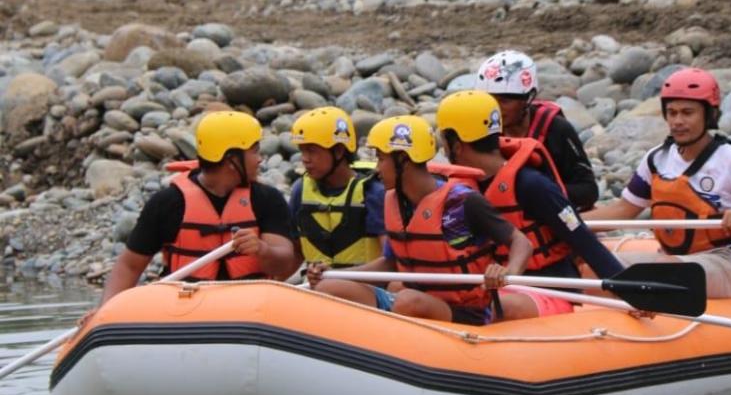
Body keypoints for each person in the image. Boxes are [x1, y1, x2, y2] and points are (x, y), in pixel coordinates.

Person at [307, 115, 533, 326]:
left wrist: (507, 272)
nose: (377, 169)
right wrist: (334, 273)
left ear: (403, 159)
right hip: (414, 301)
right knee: (330, 287)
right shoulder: (395, 202)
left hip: (466, 312)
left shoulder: (463, 202)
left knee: (407, 301)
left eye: (381, 159)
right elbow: (391, 263)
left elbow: (520, 242)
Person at [583, 68, 731, 299]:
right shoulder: (657, 159)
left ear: (708, 115)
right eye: (672, 112)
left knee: (663, 271)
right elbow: (623, 210)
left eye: (688, 113)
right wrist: (565, 224)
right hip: (668, 256)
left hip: (722, 263)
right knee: (591, 269)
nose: (678, 121)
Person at [436, 90, 625, 320]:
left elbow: (585, 242)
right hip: (502, 287)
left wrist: (626, 290)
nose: (443, 149)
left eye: (444, 139)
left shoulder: (532, 185)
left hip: (551, 289)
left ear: (456, 144)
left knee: (493, 306)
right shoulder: (462, 188)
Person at [100, 111, 298, 304]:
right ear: (231, 160)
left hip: (248, 305)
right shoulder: (168, 202)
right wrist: (105, 312)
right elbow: (129, 266)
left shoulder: (266, 199)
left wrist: (262, 250)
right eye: (254, 151)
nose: (260, 159)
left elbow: (285, 263)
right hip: (186, 306)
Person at [476, 50, 598, 211]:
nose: (495, 110)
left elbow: (588, 191)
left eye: (504, 101)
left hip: (551, 212)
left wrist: (538, 194)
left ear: (528, 98)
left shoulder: (556, 129)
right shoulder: (479, 128)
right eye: (488, 100)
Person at [289, 107, 385, 269]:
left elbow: (388, 262)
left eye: (312, 151)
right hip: (317, 289)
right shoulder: (300, 190)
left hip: (365, 290)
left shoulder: (373, 193)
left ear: (339, 151)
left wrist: (335, 278)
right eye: (302, 151)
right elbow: (296, 253)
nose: (305, 159)